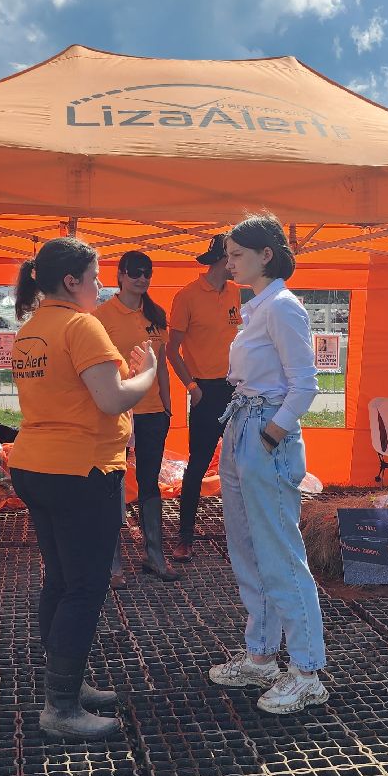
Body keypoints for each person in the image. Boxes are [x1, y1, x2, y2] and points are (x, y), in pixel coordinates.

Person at [8, 237, 157, 740]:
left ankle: (64, 685)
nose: (100, 288)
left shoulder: (31, 329)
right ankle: (61, 707)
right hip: (81, 471)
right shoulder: (80, 325)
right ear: (72, 282)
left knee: (60, 578)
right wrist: (148, 375)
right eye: (95, 279)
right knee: (85, 587)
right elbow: (112, 399)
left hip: (36, 467)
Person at [208, 213, 327, 714]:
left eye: (236, 255)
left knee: (279, 552)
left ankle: (306, 671)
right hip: (244, 425)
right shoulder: (259, 305)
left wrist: (270, 433)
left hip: (263, 430)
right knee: (248, 549)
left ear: (266, 256)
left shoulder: (282, 307)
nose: (229, 263)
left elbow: (306, 384)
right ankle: (261, 656)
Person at [95, 250, 180, 585]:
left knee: (149, 484)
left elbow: (160, 367)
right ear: (120, 275)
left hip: (153, 413)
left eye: (148, 273)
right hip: (118, 414)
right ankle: (113, 563)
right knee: (114, 483)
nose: (142, 278)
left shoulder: (156, 316)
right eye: (135, 272)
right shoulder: (102, 316)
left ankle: (154, 556)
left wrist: (169, 406)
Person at [166, 235, 243, 560]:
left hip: (237, 389)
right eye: (235, 258)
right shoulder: (187, 296)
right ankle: (185, 537)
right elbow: (171, 349)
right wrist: (192, 387)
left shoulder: (236, 292)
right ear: (222, 260)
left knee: (244, 462)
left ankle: (245, 535)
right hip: (205, 392)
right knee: (197, 466)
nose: (239, 265)